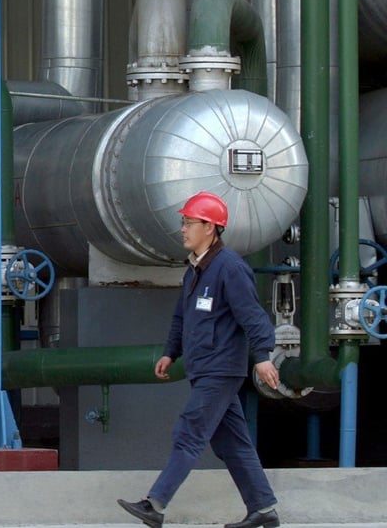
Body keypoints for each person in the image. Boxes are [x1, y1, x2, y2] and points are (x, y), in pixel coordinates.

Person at [117, 191, 281, 528]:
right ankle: (264, 510)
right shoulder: (194, 271)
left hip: (221, 369)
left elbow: (252, 315)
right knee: (232, 443)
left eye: (189, 223)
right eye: (183, 222)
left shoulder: (230, 268)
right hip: (203, 367)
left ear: (210, 227)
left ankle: (156, 504)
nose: (183, 229)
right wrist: (170, 352)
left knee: (189, 432)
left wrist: (263, 356)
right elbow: (182, 317)